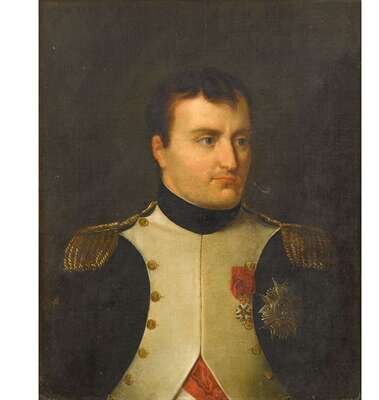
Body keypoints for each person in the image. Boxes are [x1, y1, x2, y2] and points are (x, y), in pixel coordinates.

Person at [43, 68, 343, 400]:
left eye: (241, 141)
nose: (231, 161)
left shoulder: (297, 256)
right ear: (160, 149)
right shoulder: (103, 258)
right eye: (207, 140)